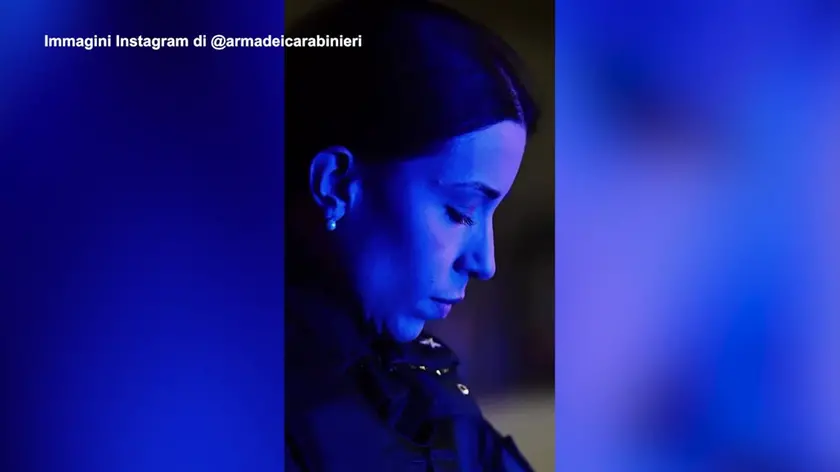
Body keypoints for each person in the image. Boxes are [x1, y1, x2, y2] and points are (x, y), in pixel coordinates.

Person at [284, 0, 540, 470]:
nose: (485, 263)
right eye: (460, 211)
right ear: (336, 185)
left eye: (493, 214)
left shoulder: (420, 380)